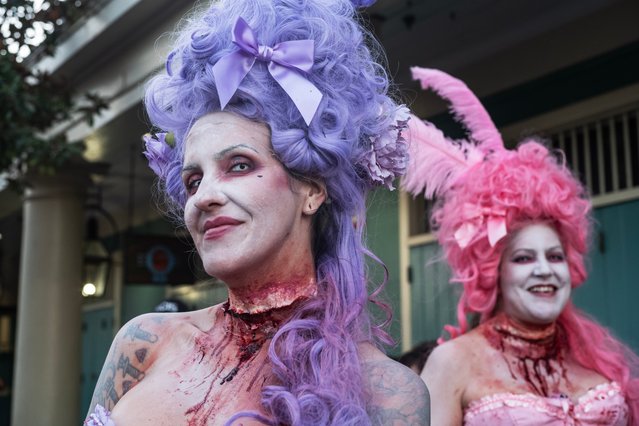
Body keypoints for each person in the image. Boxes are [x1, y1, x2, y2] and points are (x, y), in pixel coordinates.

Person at [84, 1, 429, 425]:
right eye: (193, 180)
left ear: (312, 191)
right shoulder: (141, 343)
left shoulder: (386, 393)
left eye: (239, 165)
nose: (204, 197)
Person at [402, 67, 639, 425]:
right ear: (492, 270)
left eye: (555, 256)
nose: (544, 269)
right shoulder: (452, 362)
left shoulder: (598, 357)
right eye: (524, 258)